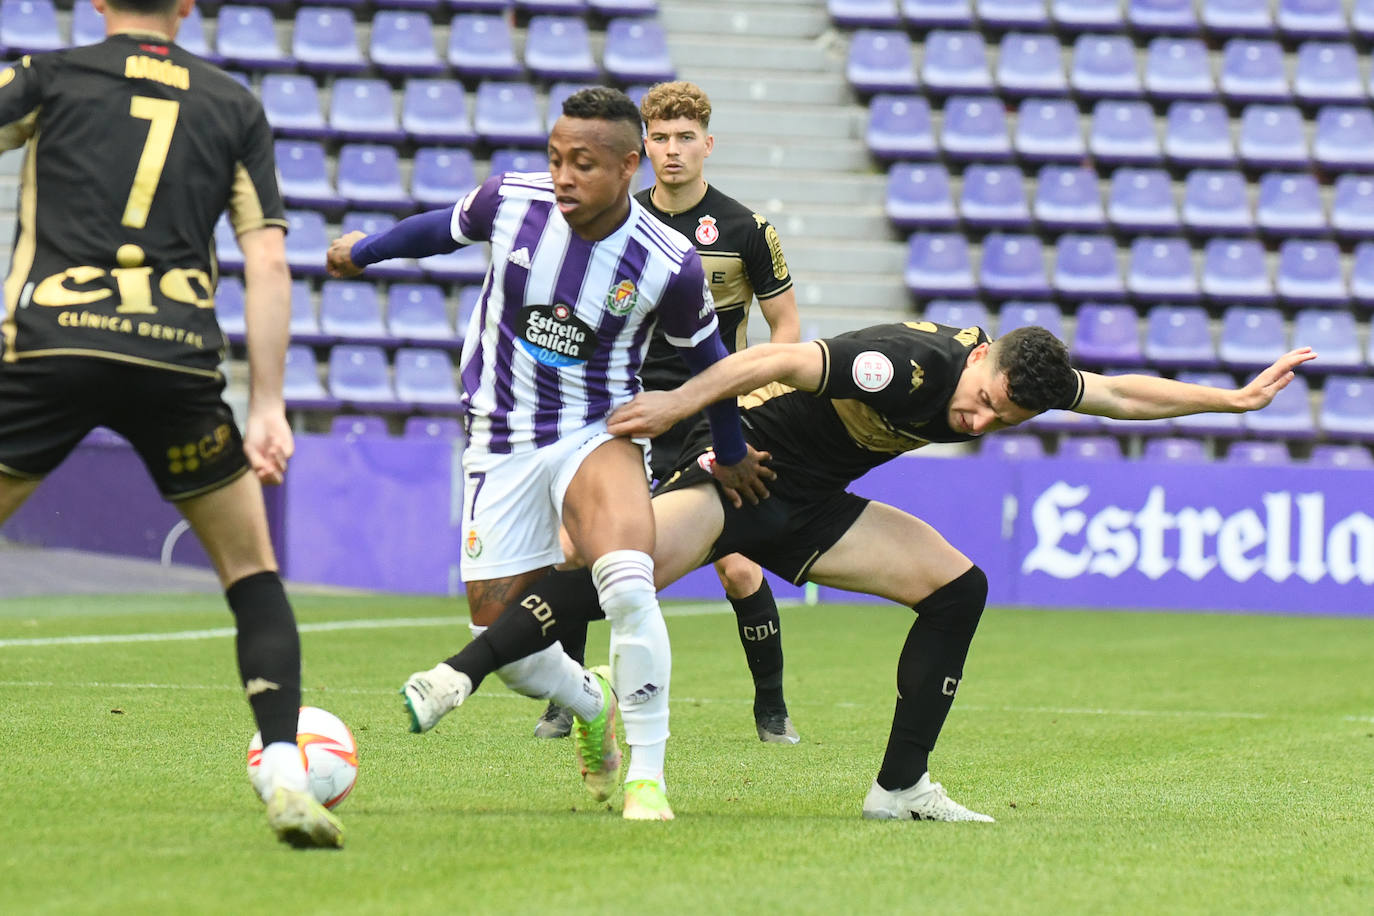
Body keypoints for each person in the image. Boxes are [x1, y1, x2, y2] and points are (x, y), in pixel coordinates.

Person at [413, 320, 1315, 821]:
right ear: (976, 358)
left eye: (1003, 420)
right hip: (744, 473)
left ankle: (900, 789)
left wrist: (1229, 397)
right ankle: (459, 674)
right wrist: (685, 412)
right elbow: (773, 358)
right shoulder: (910, 363)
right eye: (984, 400)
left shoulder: (1019, 380)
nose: (979, 422)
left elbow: (1118, 395)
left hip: (812, 507)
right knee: (624, 573)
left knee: (958, 587)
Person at [325, 87, 771, 821]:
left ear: (629, 166)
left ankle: (647, 781)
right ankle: (592, 703)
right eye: (557, 158)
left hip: (597, 431)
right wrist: (362, 252)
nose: (563, 176)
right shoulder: (511, 202)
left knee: (627, 582)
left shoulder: (669, 262)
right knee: (510, 650)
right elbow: (441, 229)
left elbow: (710, 364)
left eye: (584, 164)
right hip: (499, 438)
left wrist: (729, 452)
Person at [0, 0, 341, 847]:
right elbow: (266, 258)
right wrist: (265, 403)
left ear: (94, 4)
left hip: (50, 347)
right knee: (252, 574)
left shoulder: (51, 75)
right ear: (185, 7)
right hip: (175, 360)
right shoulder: (232, 102)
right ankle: (288, 775)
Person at [534, 80, 804, 745]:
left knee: (737, 565)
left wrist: (757, 393)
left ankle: (771, 707)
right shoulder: (613, 219)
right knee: (577, 553)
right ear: (641, 147)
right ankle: (566, 698)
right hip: (623, 413)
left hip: (708, 416)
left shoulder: (745, 230)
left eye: (687, 138)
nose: (674, 151)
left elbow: (787, 325)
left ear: (708, 144)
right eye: (661, 138)